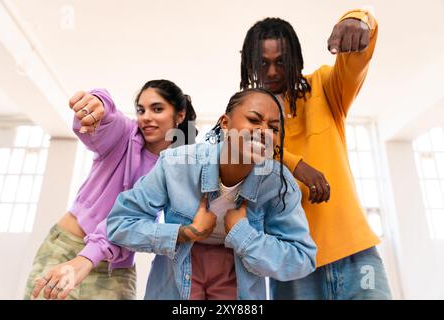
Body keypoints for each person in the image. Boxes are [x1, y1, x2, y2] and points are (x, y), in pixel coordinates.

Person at [106, 88, 317, 300]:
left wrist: (244, 234)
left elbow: (302, 258)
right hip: (178, 275)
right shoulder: (176, 163)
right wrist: (186, 233)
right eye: (254, 120)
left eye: (274, 128)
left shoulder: (279, 184)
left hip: (238, 274)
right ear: (225, 123)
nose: (264, 132)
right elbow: (120, 224)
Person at [239, 9, 392, 299]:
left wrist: (357, 18)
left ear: (295, 58)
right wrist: (295, 164)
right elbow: (241, 152)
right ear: (250, 65)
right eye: (263, 63)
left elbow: (358, 55)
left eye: (281, 62)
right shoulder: (245, 115)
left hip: (355, 253)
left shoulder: (323, 87)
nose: (272, 72)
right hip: (290, 263)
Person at [24, 80, 197, 300]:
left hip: (116, 268)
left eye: (157, 109)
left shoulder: (179, 168)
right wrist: (97, 103)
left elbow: (137, 221)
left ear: (179, 115)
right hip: (68, 248)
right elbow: (106, 120)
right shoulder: (125, 135)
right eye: (141, 110)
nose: (146, 117)